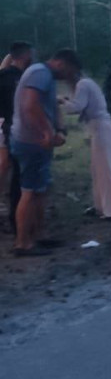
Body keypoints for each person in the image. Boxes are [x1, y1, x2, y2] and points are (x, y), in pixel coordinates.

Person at [10, 48, 81, 256]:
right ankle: (22, 244)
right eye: (71, 70)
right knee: (30, 192)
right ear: (62, 63)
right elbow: (29, 105)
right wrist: (47, 133)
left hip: (37, 143)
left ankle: (38, 236)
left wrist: (58, 130)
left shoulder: (43, 75)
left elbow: (47, 107)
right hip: (31, 142)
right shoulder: (40, 73)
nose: (69, 76)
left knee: (40, 190)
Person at [61, 71, 111, 220]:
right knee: (98, 170)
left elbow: (77, 107)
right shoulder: (87, 83)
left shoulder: (83, 84)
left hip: (101, 128)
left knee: (106, 170)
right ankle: (102, 207)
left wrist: (62, 102)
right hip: (97, 128)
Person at [0, 42, 35, 235]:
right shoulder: (6, 78)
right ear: (25, 55)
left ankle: (21, 222)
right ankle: (17, 224)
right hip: (14, 132)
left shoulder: (26, 77)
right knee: (18, 179)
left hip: (25, 132)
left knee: (21, 178)